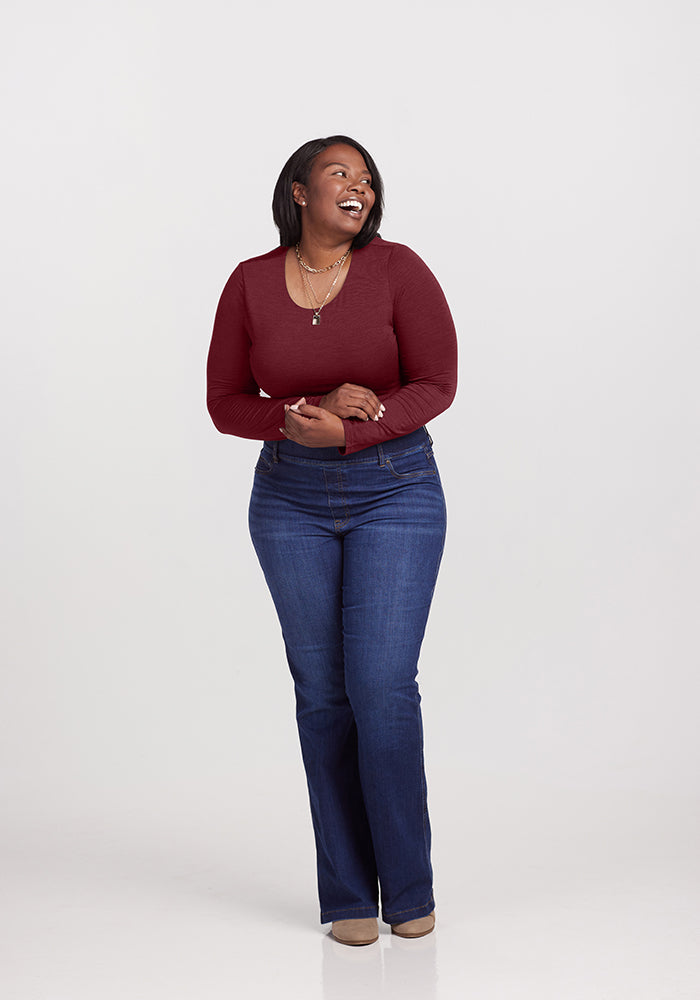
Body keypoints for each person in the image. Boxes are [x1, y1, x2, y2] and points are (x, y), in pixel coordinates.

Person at [206, 135, 458, 946]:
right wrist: (297, 416)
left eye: (367, 177)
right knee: (322, 694)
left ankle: (410, 887)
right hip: (289, 502)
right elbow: (224, 402)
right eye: (339, 173)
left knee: (381, 687)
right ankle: (347, 895)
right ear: (298, 192)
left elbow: (437, 382)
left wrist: (356, 429)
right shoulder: (248, 284)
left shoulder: (399, 270)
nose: (360, 186)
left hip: (396, 491)